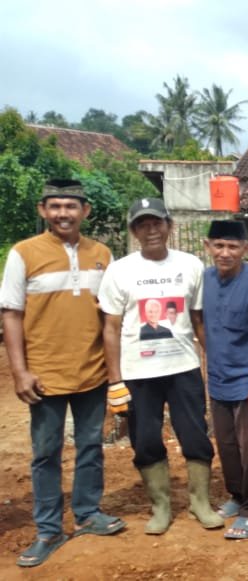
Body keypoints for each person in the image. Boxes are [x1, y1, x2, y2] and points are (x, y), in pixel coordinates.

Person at [1, 179, 125, 567]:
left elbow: (111, 315)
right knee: (46, 454)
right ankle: (48, 529)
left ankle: (87, 514)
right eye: (55, 206)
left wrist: (114, 370)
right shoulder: (24, 253)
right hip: (44, 375)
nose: (63, 214)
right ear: (43, 210)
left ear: (85, 211)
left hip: (91, 371)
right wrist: (20, 371)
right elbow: (10, 314)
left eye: (71, 207)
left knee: (90, 448)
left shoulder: (102, 253)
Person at [98, 197, 222, 535]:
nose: (151, 229)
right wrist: (115, 381)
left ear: (169, 226)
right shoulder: (120, 270)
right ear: (134, 231)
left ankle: (200, 502)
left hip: (183, 367)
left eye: (157, 222)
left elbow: (198, 321)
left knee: (195, 435)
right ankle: (161, 506)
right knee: (146, 438)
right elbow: (110, 327)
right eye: (142, 224)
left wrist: (211, 363)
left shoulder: (191, 265)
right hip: (138, 373)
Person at [202, 220, 248, 540]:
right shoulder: (203, 280)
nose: (225, 252)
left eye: (233, 246)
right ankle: (237, 496)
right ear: (208, 247)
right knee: (228, 446)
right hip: (219, 378)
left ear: (246, 249)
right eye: (219, 245)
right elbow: (199, 323)